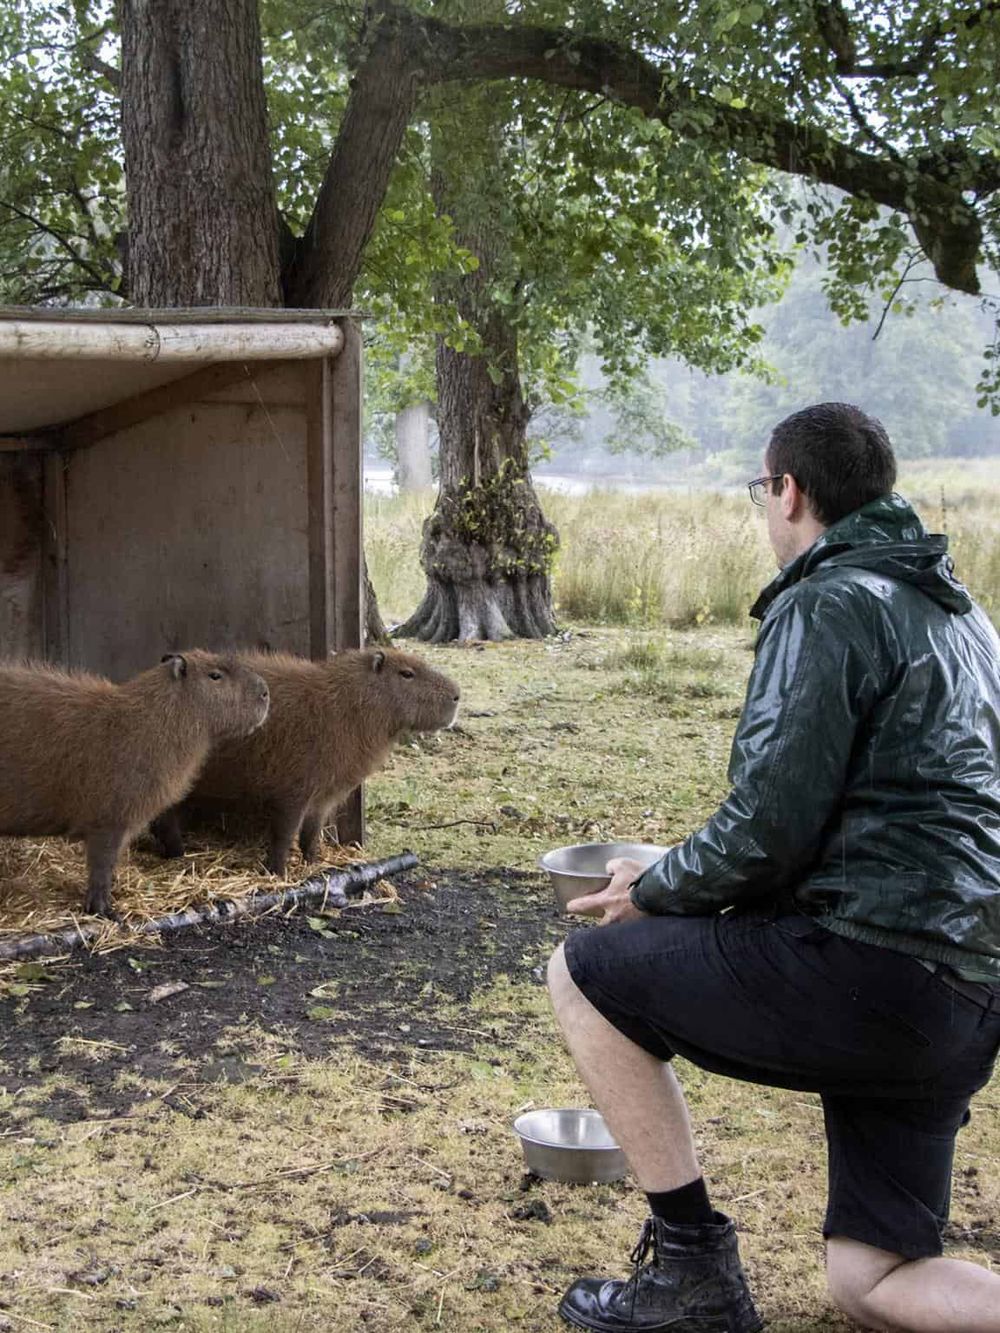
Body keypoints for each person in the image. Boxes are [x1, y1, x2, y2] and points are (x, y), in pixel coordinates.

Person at [548, 402, 1000, 1333]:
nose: (765, 509)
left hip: (877, 972)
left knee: (582, 975)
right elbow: (887, 813)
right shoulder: (960, 614)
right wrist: (675, 863)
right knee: (871, 1282)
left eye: (764, 490)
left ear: (790, 490)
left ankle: (693, 1276)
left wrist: (656, 887)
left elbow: (767, 829)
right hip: (969, 991)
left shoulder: (826, 599)